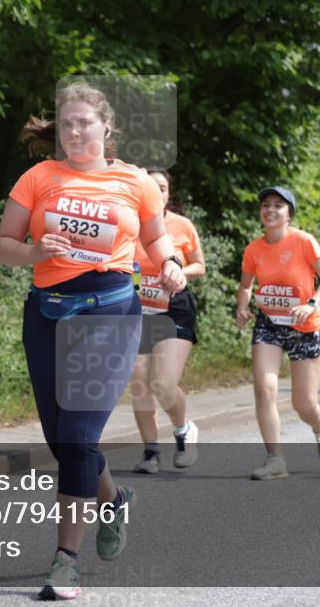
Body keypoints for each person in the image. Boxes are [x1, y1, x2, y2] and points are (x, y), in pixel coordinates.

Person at [0, 82, 186, 600]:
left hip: (110, 312)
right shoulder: (38, 177)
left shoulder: (136, 182)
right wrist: (34, 253)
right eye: (67, 124)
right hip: (47, 314)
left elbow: (156, 240)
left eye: (85, 122)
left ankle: (64, 561)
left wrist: (171, 265)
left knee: (78, 440)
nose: (76, 131)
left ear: (106, 127)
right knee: (64, 442)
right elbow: (3, 246)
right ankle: (113, 499)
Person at [235, 186, 320, 480]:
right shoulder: (254, 249)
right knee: (264, 388)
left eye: (278, 206)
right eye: (265, 205)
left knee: (303, 403)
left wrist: (311, 303)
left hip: (305, 327)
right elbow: (246, 285)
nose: (270, 210)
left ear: (289, 214)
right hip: (269, 324)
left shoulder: (304, 242)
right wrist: (242, 307)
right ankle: (275, 459)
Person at [129, 168, 205, 473]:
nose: (157, 192)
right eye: (151, 186)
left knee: (162, 383)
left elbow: (199, 265)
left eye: (162, 187)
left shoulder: (182, 225)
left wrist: (176, 272)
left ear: (168, 193)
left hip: (174, 308)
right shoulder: (128, 223)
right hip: (136, 309)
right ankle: (151, 452)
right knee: (139, 384)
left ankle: (183, 430)